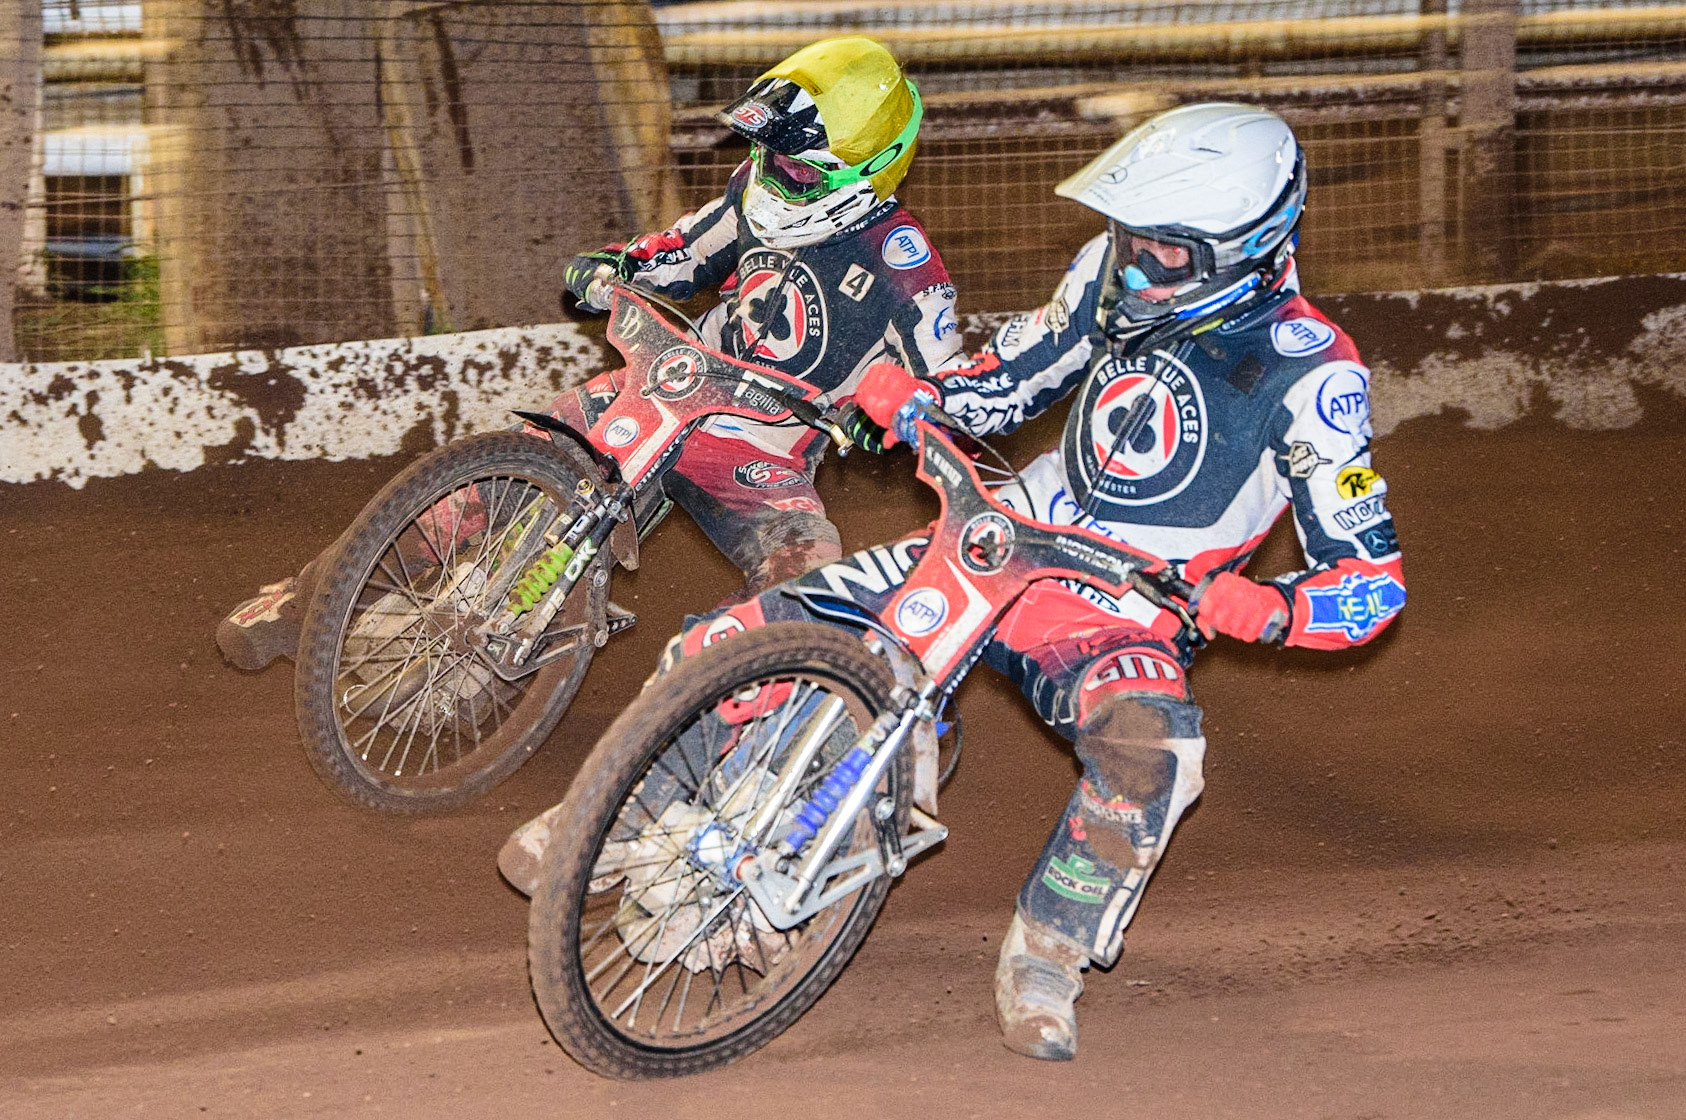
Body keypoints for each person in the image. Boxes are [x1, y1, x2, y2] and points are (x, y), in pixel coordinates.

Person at [502, 102, 1405, 1061]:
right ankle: (616, 806)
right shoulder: (1108, 278)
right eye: (1130, 239)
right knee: (753, 629)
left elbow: (1372, 578)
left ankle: (1049, 954)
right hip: (1002, 533)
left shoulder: (1315, 377)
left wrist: (1275, 609)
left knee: (1155, 756)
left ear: (1251, 249)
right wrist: (922, 396)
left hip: (1128, 603)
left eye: (1166, 253)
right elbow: (1011, 374)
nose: (1136, 266)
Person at [215, 36, 960, 671]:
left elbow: (952, 398)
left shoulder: (910, 277)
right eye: (768, 150)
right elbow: (685, 252)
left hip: (758, 452)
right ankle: (306, 598)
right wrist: (620, 265)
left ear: (871, 165)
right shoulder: (750, 193)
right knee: (482, 480)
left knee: (805, 583)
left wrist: (888, 421)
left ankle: (708, 736)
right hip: (662, 387)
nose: (774, 169)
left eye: (798, 164)